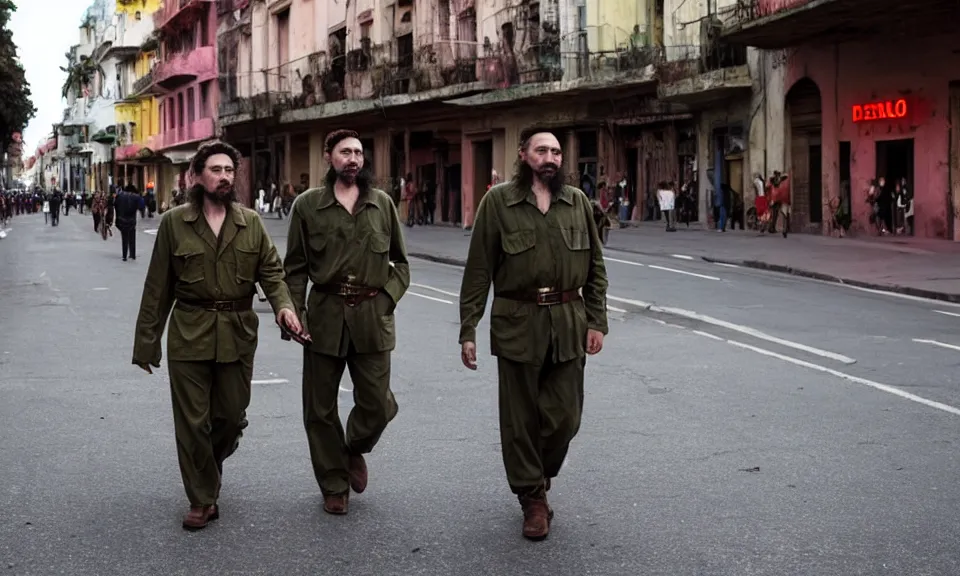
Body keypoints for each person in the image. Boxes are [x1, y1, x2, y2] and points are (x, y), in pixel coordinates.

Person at [131, 141, 306, 531]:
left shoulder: (251, 223)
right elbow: (157, 287)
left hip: (237, 332)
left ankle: (208, 467)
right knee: (192, 421)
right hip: (189, 332)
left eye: (230, 170)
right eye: (216, 169)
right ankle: (201, 498)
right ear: (197, 175)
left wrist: (284, 306)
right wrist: (147, 343)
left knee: (229, 417)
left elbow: (272, 274)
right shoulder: (176, 223)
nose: (225, 176)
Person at [458, 127, 609, 541]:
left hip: (567, 321)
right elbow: (478, 271)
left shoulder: (576, 202)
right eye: (542, 150)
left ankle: (538, 474)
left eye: (557, 151)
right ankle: (532, 499)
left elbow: (596, 268)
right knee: (520, 418)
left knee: (566, 417)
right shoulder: (498, 203)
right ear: (523, 155)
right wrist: (468, 327)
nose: (551, 157)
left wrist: (597, 320)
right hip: (517, 320)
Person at [284, 129, 410, 516]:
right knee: (319, 409)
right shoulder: (307, 206)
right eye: (345, 152)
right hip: (324, 316)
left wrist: (386, 300)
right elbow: (295, 268)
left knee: (377, 404)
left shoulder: (382, 204)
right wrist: (294, 313)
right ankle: (334, 484)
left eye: (358, 152)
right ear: (329, 157)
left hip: (373, 316)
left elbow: (401, 265)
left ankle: (353, 446)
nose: (353, 159)